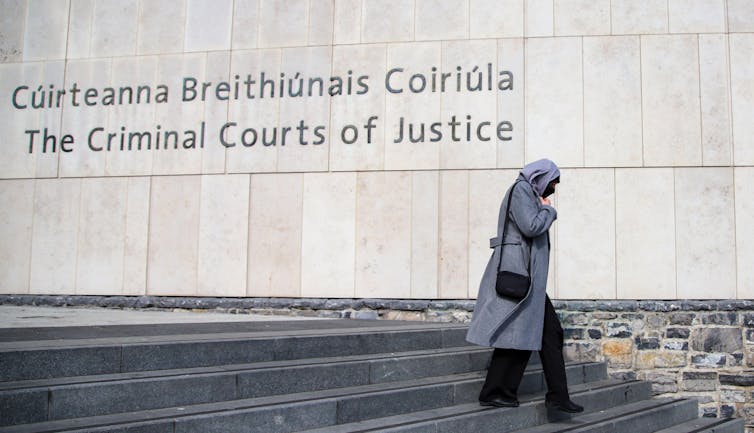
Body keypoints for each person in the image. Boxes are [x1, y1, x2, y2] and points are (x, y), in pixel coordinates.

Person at [465, 159, 583, 413]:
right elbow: (530, 227)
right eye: (552, 182)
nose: (552, 189)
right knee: (519, 336)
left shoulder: (528, 192)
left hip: (530, 282)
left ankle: (556, 396)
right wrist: (548, 210)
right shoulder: (520, 190)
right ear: (540, 177)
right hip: (520, 278)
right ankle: (496, 392)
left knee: (546, 334)